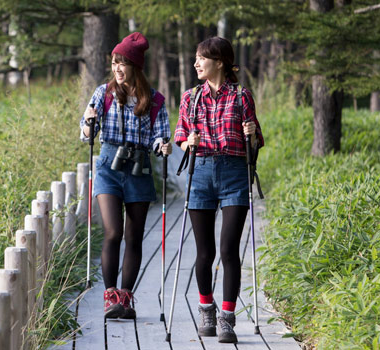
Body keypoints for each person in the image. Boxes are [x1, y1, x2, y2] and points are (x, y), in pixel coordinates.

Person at [172, 36, 264, 344]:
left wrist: (251, 134)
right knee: (204, 251)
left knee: (228, 250)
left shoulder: (241, 96)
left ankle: (227, 318)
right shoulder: (191, 97)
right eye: (196, 58)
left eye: (202, 58)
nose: (196, 63)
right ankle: (206, 310)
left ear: (219, 63)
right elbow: (180, 135)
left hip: (235, 173)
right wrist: (188, 142)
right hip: (201, 174)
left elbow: (254, 143)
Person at [79, 32, 171, 320]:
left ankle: (126, 298)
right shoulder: (103, 93)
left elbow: (160, 136)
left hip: (139, 168)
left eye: (123, 63)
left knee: (134, 237)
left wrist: (162, 146)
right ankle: (110, 297)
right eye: (115, 62)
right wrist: (88, 124)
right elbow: (86, 134)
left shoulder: (154, 100)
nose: (117, 68)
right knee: (113, 232)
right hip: (108, 165)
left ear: (135, 66)